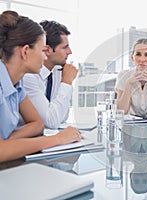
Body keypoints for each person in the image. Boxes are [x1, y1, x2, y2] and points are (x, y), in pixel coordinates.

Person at [0, 10, 80, 162]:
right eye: (43, 50)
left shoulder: (17, 83)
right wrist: (57, 139)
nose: (45, 57)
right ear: (25, 52)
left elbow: (37, 124)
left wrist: (9, 140)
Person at [22, 20, 78, 129]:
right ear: (47, 50)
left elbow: (62, 117)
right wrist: (66, 83)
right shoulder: (28, 76)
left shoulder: (58, 71)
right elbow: (51, 122)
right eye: (64, 47)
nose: (69, 52)